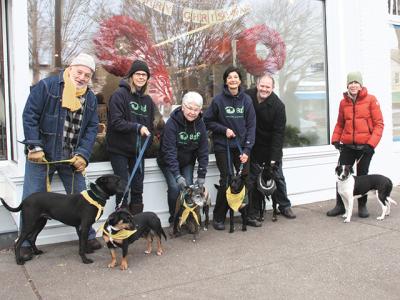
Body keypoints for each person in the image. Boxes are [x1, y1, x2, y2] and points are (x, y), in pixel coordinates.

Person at [21, 53, 100, 261]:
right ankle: (26, 243)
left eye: (87, 74)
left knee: (84, 198)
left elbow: (92, 128)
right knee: (32, 199)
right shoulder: (47, 86)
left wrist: (83, 154)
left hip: (70, 158)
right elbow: (30, 115)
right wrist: (34, 146)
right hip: (42, 156)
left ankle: (88, 237)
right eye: (79, 72)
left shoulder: (90, 98)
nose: (82, 77)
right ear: (70, 68)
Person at [204, 66, 256, 230]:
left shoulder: (246, 100)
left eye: (236, 77)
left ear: (240, 81)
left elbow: (251, 126)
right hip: (223, 146)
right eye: (229, 77)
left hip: (242, 149)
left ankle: (248, 216)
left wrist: (247, 151)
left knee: (246, 180)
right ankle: (219, 218)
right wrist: (223, 130)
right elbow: (207, 121)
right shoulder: (218, 100)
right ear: (226, 81)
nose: (233, 80)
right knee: (226, 179)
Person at [327, 71, 384, 218]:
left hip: (365, 148)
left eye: (356, 82)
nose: (353, 85)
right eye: (350, 83)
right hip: (347, 147)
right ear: (347, 85)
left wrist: (371, 144)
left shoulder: (371, 100)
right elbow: (340, 123)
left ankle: (362, 206)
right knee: (341, 175)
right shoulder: (343, 102)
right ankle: (340, 206)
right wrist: (335, 139)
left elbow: (379, 124)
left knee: (362, 176)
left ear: (361, 84)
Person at [106, 60, 156, 215]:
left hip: (138, 151)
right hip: (119, 149)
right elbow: (116, 122)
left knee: (137, 187)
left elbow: (151, 125)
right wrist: (137, 127)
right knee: (122, 187)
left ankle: (136, 222)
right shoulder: (119, 95)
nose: (141, 77)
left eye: (144, 75)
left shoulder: (148, 101)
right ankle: (121, 223)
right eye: (138, 74)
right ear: (131, 76)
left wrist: (147, 144)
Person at [245, 74, 296, 227]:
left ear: (273, 88)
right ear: (257, 84)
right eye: (262, 86)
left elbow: (278, 134)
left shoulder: (278, 106)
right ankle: (251, 212)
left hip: (270, 147)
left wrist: (274, 159)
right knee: (252, 181)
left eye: (268, 87)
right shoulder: (247, 96)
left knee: (278, 177)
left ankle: (284, 206)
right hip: (252, 146)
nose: (264, 89)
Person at [157, 91, 209, 223]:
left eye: (196, 110)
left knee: (190, 187)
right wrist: (176, 175)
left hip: (187, 161)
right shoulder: (171, 124)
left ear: (200, 110)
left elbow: (203, 151)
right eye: (190, 108)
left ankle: (189, 218)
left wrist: (202, 174)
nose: (192, 112)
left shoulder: (200, 124)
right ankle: (174, 218)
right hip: (169, 162)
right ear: (182, 107)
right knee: (175, 187)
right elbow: (169, 151)